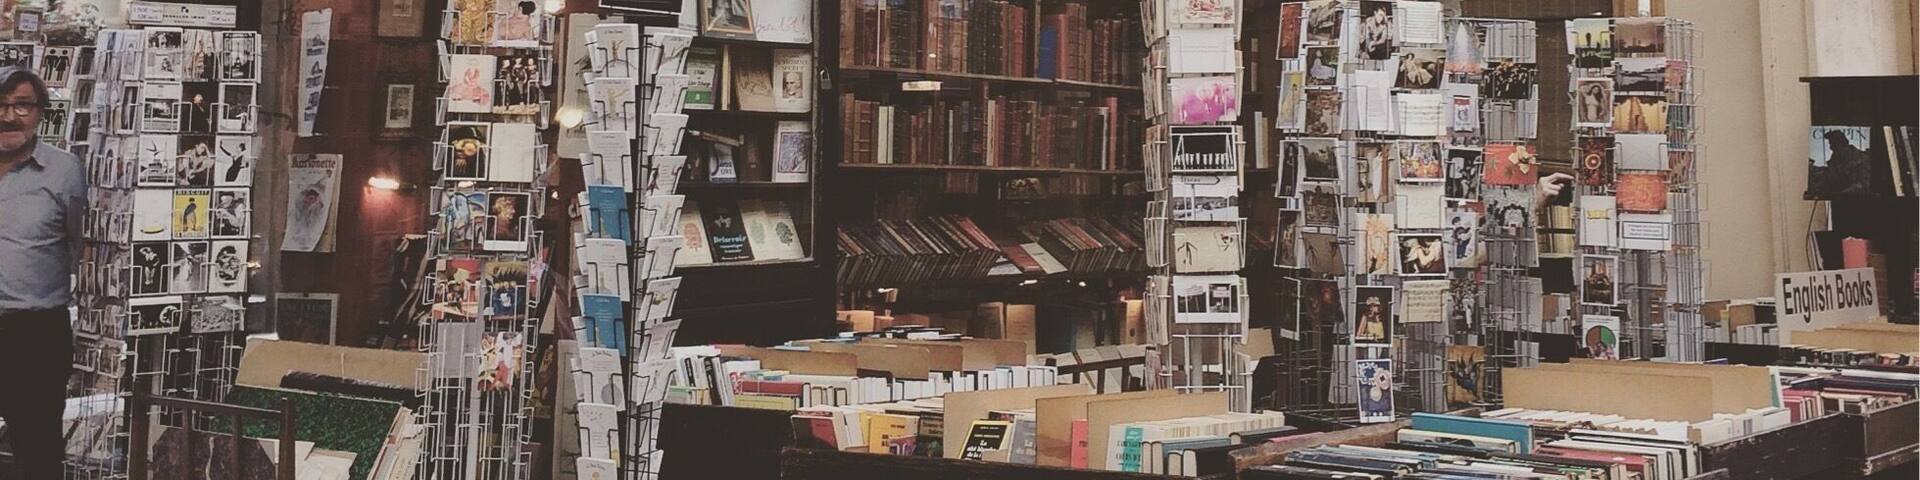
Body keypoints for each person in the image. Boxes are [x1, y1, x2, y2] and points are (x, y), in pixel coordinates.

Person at [0, 67, 84, 479]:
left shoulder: (65, 172)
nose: (9, 115)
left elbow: (79, 244)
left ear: (39, 113)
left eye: (22, 105)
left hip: (34, 332)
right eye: (0, 105)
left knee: (36, 449)